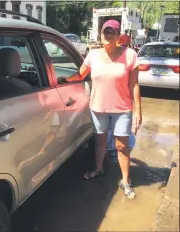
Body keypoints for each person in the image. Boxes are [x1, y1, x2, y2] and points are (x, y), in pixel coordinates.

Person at [58, 20, 142, 199]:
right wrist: (64, 80)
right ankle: (98, 169)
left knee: (121, 145)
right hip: (98, 107)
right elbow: (81, 74)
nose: (109, 35)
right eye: (106, 31)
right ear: (101, 34)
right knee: (100, 141)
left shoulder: (130, 55)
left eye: (113, 32)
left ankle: (126, 181)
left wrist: (138, 111)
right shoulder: (93, 55)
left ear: (119, 36)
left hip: (122, 108)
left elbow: (134, 84)